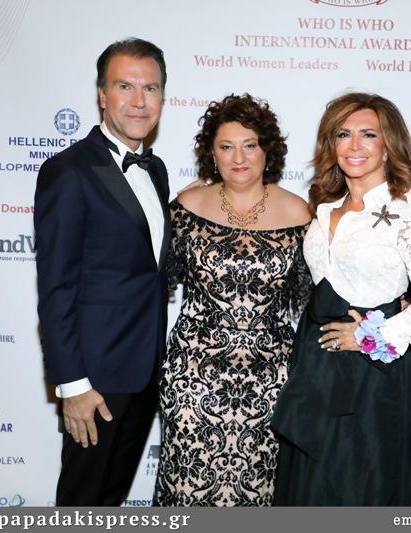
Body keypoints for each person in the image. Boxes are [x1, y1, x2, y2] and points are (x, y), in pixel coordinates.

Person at [271, 92, 411, 506]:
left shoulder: (410, 206)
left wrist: (375, 336)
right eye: (343, 134)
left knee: (361, 488)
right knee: (311, 491)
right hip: (315, 369)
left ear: (389, 144)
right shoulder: (325, 208)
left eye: (368, 134)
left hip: (372, 378)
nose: (354, 145)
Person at [155, 94, 312, 506]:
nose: (238, 157)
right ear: (212, 153)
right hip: (193, 383)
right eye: (226, 146)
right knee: (188, 492)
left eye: (249, 145)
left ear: (267, 149)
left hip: (272, 384)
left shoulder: (300, 214)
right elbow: (145, 283)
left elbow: (319, 301)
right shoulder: (186, 208)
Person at [34, 38, 170, 506]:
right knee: (81, 503)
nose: (139, 101)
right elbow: (55, 290)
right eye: (125, 86)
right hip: (94, 380)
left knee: (110, 503)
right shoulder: (69, 171)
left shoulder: (156, 170)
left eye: (150, 88)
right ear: (102, 95)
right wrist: (73, 386)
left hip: (145, 374)